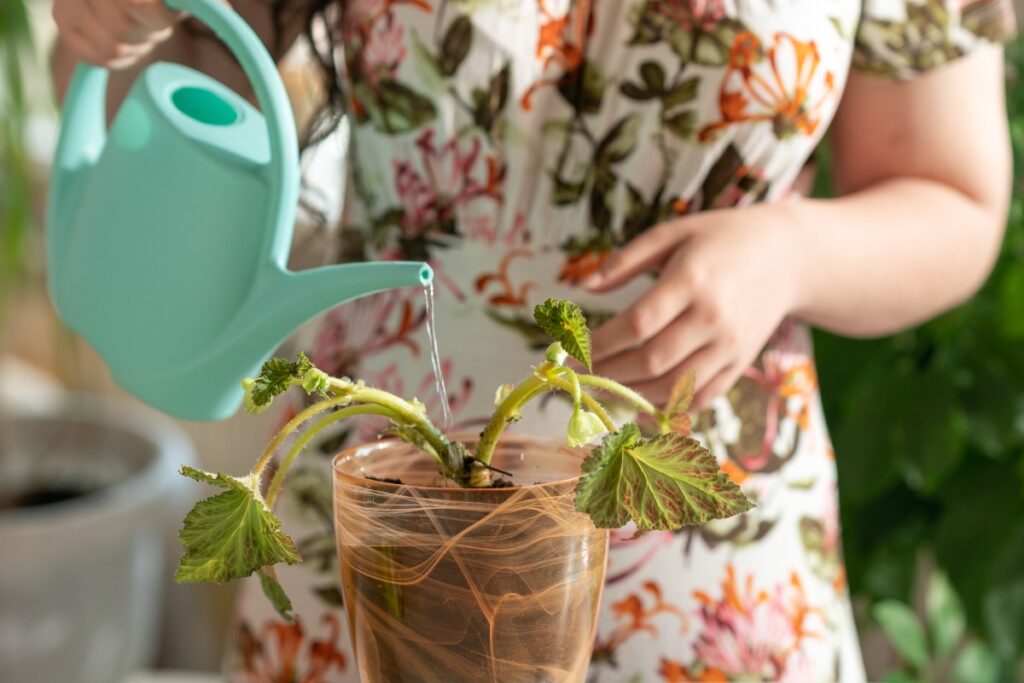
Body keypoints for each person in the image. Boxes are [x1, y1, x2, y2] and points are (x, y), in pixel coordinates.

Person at [52, 0, 1015, 680]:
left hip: (700, 527)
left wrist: (792, 251)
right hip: (379, 503)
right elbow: (190, 82)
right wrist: (122, 26)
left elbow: (955, 197)